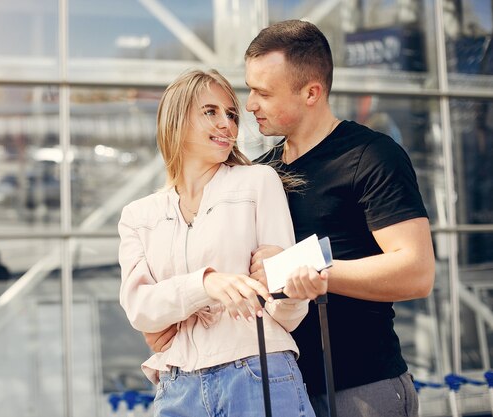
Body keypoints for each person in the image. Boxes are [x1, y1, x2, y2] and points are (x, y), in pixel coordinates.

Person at [244, 20, 435, 416]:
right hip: (282, 390)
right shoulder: (261, 173)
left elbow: (417, 272)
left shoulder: (372, 156)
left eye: (262, 92)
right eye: (250, 89)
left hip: (362, 389)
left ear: (312, 92)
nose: (249, 104)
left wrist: (307, 271)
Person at [118, 68, 327, 417]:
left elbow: (285, 313)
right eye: (210, 112)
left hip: (258, 372)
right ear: (176, 120)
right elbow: (140, 309)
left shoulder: (260, 182)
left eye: (231, 114)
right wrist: (206, 283)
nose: (227, 124)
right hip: (177, 386)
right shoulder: (139, 215)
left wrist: (291, 291)